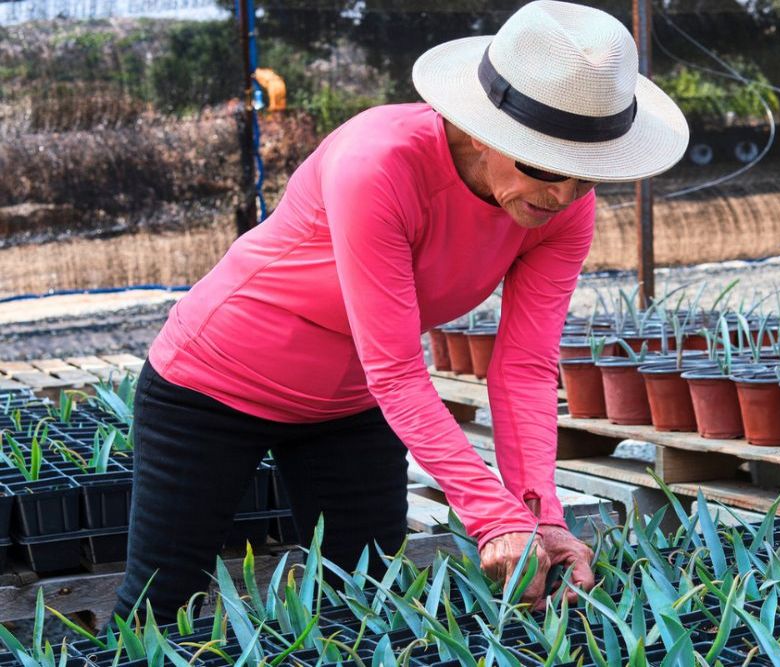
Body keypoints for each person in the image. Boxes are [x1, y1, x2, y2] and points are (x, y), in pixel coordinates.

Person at [114, 0, 689, 622]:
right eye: (547, 166)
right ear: (480, 130)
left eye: (587, 174)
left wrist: (538, 514)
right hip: (216, 386)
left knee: (362, 606)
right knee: (162, 606)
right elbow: (395, 367)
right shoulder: (379, 162)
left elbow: (522, 367)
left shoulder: (562, 208)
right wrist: (491, 519)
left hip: (351, 406)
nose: (565, 194)